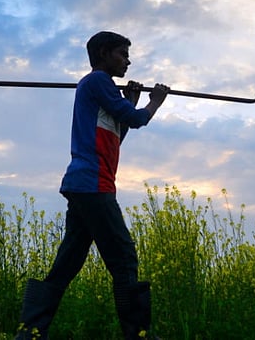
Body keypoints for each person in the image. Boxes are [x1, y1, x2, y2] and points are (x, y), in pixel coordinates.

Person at [15, 31, 170, 340]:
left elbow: (117, 134)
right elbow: (138, 119)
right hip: (93, 184)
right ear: (103, 53)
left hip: (85, 184)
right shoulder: (98, 81)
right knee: (124, 258)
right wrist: (155, 102)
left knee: (67, 264)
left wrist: (129, 102)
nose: (128, 61)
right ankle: (139, 335)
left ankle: (29, 333)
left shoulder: (100, 90)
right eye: (122, 54)